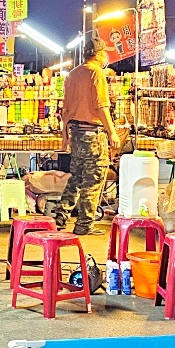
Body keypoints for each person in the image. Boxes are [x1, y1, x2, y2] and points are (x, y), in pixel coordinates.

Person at [54, 31, 119, 235]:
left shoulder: (72, 74)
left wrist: (65, 138)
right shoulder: (96, 73)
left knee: (76, 178)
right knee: (93, 180)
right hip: (93, 135)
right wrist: (112, 133)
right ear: (99, 54)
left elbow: (65, 111)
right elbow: (101, 107)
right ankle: (84, 225)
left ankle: (60, 217)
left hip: (76, 134)